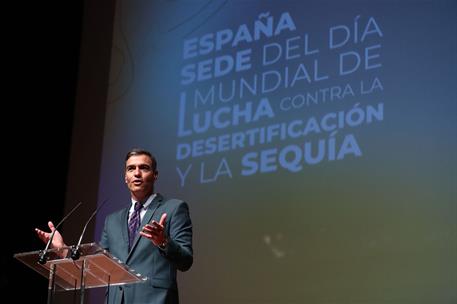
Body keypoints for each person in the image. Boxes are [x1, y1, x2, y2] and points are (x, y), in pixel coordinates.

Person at [35, 148, 193, 304]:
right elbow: (97, 266)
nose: (137, 173)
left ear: (155, 175)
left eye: (144, 168)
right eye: (131, 169)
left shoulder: (174, 208)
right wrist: (63, 250)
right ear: (126, 177)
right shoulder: (112, 220)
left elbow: (186, 261)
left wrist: (163, 241)